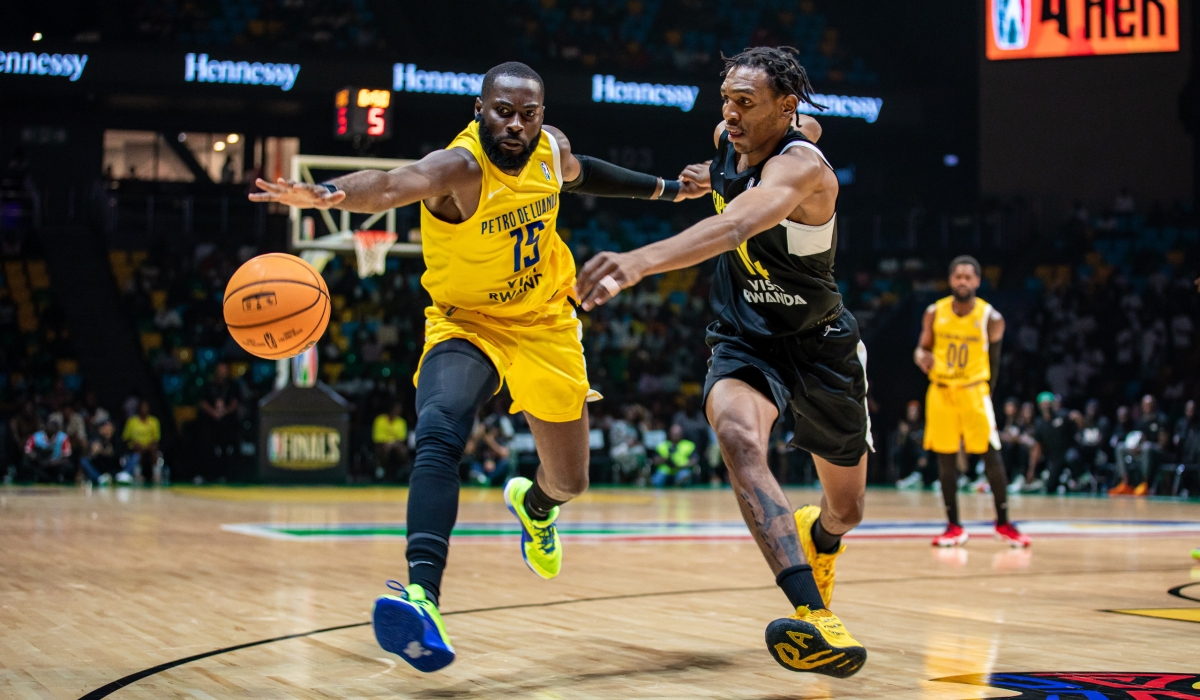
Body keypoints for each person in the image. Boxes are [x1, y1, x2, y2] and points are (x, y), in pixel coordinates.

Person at [250, 61, 704, 672]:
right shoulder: (458, 169)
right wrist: (329, 195)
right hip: (467, 323)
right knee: (440, 427)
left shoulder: (550, 149)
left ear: (541, 114)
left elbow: (585, 174)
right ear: (479, 109)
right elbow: (389, 185)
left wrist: (671, 190)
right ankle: (422, 597)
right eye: (503, 112)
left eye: (528, 113)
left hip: (545, 322)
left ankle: (536, 507)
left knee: (570, 481)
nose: (516, 124)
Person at [576, 46, 867, 677]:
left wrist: (636, 262)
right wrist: (713, 174)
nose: (730, 114)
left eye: (746, 102)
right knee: (737, 437)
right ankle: (814, 616)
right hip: (746, 339)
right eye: (726, 99)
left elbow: (736, 227)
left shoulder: (804, 171)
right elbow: (744, 162)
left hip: (821, 345)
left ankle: (823, 539)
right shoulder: (728, 139)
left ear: (785, 106)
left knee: (847, 510)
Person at [913, 256, 1028, 548]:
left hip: (975, 390)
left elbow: (996, 364)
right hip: (940, 390)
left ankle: (1003, 523)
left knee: (991, 455)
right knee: (945, 459)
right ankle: (954, 526)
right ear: (951, 280)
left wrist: (987, 391)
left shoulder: (992, 317)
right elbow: (922, 349)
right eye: (958, 277)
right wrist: (920, 357)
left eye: (968, 277)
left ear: (977, 281)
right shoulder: (933, 312)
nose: (963, 282)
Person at [198, 363, 243, 481]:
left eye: (224, 370)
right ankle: (205, 475)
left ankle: (224, 475)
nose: (222, 372)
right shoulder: (209, 385)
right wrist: (213, 412)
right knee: (207, 447)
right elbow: (202, 402)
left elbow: (235, 403)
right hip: (210, 422)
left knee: (225, 448)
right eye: (220, 370)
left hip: (226, 423)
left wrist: (224, 412)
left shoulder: (232, 386)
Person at [894, 401, 932, 490]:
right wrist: (903, 434)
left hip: (920, 453)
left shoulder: (923, 425)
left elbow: (922, 443)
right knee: (897, 452)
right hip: (908, 453)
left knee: (924, 454)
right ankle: (904, 478)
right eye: (911, 411)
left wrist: (910, 434)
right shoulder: (904, 426)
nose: (913, 413)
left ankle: (917, 476)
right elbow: (901, 444)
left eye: (915, 411)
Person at [122, 400, 162, 484]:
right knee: (137, 449)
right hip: (136, 447)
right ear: (138, 409)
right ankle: (137, 474)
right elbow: (125, 438)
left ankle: (156, 474)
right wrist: (134, 443)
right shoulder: (132, 421)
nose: (144, 409)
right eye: (142, 407)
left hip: (149, 446)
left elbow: (156, 438)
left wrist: (150, 445)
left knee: (154, 449)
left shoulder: (154, 421)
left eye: (146, 407)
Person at [24, 416, 73, 483]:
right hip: (40, 464)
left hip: (55, 465)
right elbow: (27, 450)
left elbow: (66, 457)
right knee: (26, 463)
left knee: (68, 466)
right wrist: (35, 456)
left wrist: (53, 463)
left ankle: (61, 480)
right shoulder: (36, 437)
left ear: (57, 431)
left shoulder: (63, 438)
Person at [372, 402, 410, 482]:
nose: (399, 411)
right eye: (397, 409)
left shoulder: (401, 422)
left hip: (396, 445)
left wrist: (392, 444)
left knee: (403, 450)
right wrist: (388, 444)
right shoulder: (380, 420)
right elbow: (378, 439)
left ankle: (401, 471)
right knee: (385, 449)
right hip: (383, 445)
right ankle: (382, 470)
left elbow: (401, 439)